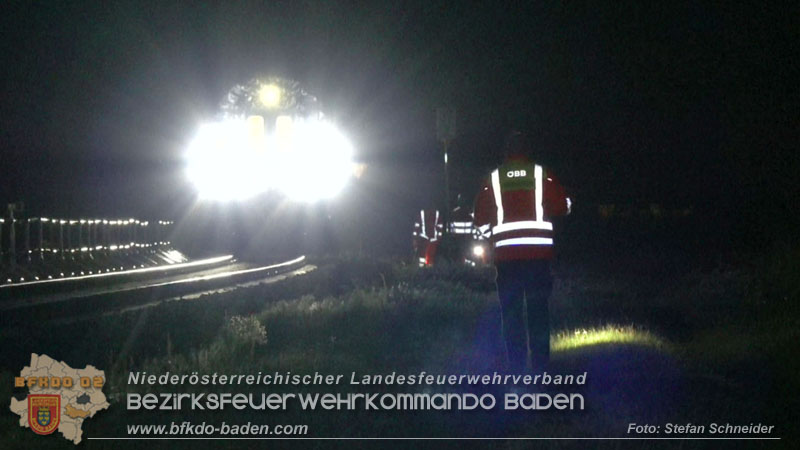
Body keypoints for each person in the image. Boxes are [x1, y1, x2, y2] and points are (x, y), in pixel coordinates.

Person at [473, 132, 571, 371]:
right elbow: (561, 206)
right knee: (538, 312)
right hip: (538, 258)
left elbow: (478, 217)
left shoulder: (494, 179)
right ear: (527, 151)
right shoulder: (540, 174)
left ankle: (517, 368)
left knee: (512, 314)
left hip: (507, 259)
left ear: (506, 152)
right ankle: (540, 368)